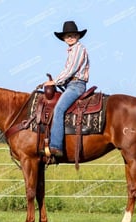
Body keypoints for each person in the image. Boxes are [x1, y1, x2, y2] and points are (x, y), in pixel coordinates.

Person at [44, 21, 89, 157]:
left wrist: (54, 81)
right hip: (70, 84)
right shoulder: (72, 50)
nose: (70, 38)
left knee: (58, 109)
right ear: (63, 38)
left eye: (73, 35)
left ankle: (56, 146)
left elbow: (71, 70)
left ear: (78, 36)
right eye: (67, 36)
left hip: (76, 85)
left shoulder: (78, 49)